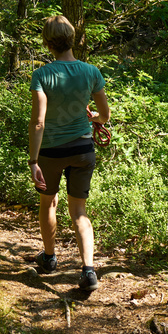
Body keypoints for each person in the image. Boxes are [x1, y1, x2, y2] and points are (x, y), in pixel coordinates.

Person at [28, 15, 110, 291]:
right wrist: (92, 116)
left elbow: (39, 121)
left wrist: (33, 160)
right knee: (79, 211)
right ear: (73, 39)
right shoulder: (91, 72)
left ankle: (49, 258)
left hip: (51, 151)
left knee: (48, 203)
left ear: (47, 42)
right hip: (83, 149)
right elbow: (105, 115)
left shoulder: (42, 75)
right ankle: (88, 270)